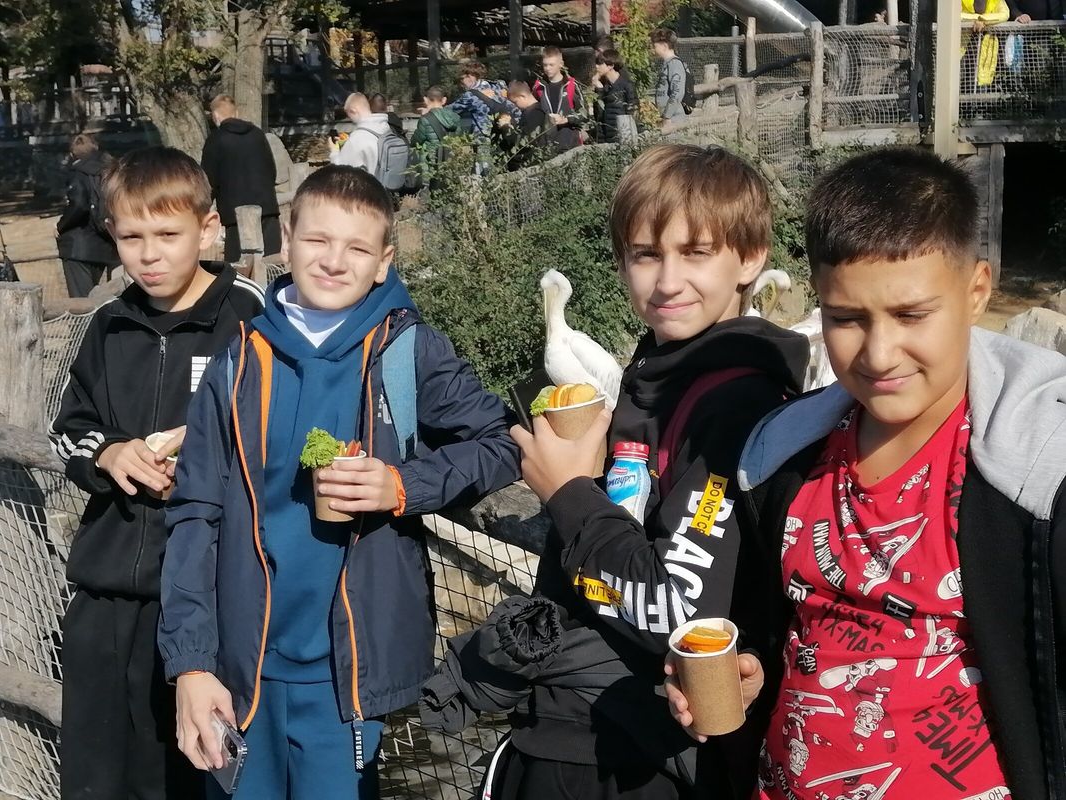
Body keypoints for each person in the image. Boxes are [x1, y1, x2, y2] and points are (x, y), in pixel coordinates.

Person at [668, 147, 1066, 800]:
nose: (879, 355)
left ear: (976, 291)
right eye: (846, 318)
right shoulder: (783, 461)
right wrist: (748, 673)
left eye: (910, 315)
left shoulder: (1037, 479)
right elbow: (775, 632)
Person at [158, 164, 522, 800]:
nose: (333, 261)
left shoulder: (408, 350)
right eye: (317, 240)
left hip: (345, 677)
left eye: (357, 248)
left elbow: (502, 442)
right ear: (287, 241)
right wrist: (191, 662)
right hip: (239, 671)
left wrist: (402, 486)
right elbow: (195, 512)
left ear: (384, 262)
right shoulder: (238, 360)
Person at [498, 144, 810, 799]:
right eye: (645, 254)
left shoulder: (735, 408)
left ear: (750, 258)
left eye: (696, 253)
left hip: (637, 754)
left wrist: (568, 494)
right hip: (577, 720)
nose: (667, 281)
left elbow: (676, 611)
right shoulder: (653, 376)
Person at [48, 146, 265, 800]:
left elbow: (283, 432)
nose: (149, 255)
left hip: (207, 598)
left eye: (167, 235)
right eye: (131, 237)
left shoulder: (250, 317)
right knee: (97, 776)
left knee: (191, 775)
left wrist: (207, 457)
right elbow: (69, 425)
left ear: (207, 228)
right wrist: (109, 454)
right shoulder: (110, 324)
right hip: (108, 589)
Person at [201, 94, 281, 263]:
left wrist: (204, 206)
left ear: (215, 116)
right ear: (236, 113)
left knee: (239, 266)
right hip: (266, 208)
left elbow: (208, 181)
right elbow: (272, 170)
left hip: (234, 215)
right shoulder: (257, 134)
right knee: (273, 264)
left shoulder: (216, 140)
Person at [55, 132, 120, 297]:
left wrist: (61, 226)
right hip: (108, 240)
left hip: (79, 246)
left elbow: (79, 204)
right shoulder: (113, 170)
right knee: (113, 296)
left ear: (72, 154)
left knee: (82, 301)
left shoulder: (78, 173)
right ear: (96, 147)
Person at [533, 46, 589, 152]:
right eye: (545, 65)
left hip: (569, 142)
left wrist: (566, 119)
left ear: (561, 64)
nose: (547, 68)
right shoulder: (539, 87)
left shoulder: (571, 85)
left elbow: (585, 114)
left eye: (551, 65)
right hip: (546, 144)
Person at [448, 62, 514, 141]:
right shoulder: (499, 85)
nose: (461, 84)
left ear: (470, 76)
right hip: (505, 135)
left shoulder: (470, 95)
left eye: (462, 79)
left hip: (483, 138)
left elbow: (449, 110)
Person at [500, 80, 558, 169]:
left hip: (528, 166)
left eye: (515, 102)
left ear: (522, 96)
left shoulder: (535, 113)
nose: (515, 106)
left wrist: (505, 127)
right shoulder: (529, 112)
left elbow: (524, 141)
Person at [329, 92, 391, 172]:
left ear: (353, 111)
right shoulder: (386, 128)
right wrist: (347, 143)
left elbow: (340, 171)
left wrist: (334, 151)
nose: (349, 119)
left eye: (348, 115)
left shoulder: (356, 139)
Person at [594, 49, 638, 143]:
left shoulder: (627, 86)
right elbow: (598, 116)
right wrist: (599, 90)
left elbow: (633, 112)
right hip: (606, 137)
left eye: (600, 63)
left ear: (610, 66)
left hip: (623, 136)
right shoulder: (603, 86)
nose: (596, 66)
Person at [411, 85, 461, 160]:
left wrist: (424, 116)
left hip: (432, 159)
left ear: (425, 100)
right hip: (451, 159)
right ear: (444, 100)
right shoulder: (456, 117)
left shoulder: (425, 119)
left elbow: (415, 142)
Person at [652, 28, 689, 124]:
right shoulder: (667, 64)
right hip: (668, 117)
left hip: (674, 119)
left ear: (664, 46)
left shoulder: (674, 64)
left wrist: (667, 116)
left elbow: (677, 92)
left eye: (655, 46)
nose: (653, 49)